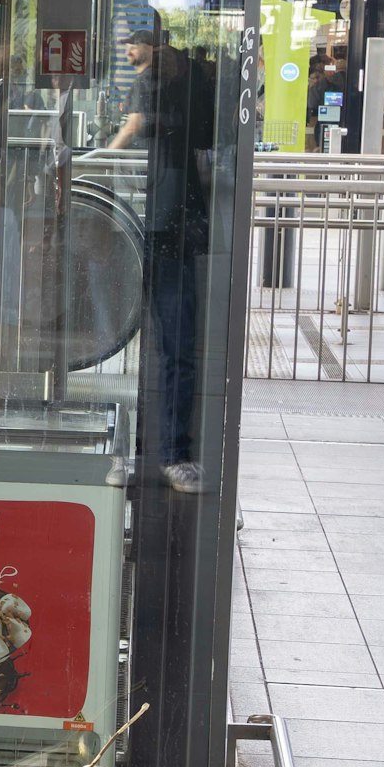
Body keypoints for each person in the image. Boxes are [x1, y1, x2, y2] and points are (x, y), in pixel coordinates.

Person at [108, 27, 212, 495]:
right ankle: (170, 452)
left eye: (138, 44)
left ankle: (157, 452)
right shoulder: (187, 85)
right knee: (172, 342)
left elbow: (131, 129)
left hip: (156, 223)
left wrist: (94, 159)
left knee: (140, 340)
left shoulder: (150, 84)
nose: (132, 52)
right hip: (170, 221)